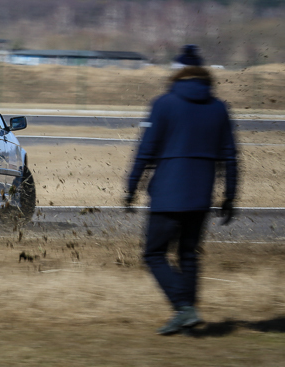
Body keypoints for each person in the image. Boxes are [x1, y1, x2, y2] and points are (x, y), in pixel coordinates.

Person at [125, 44, 238, 335]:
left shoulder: (164, 103)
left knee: (154, 254)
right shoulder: (219, 107)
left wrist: (131, 188)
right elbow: (230, 156)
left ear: (177, 73)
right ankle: (187, 317)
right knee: (188, 255)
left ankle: (184, 307)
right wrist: (229, 196)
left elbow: (145, 150)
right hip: (201, 195)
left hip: (167, 193)